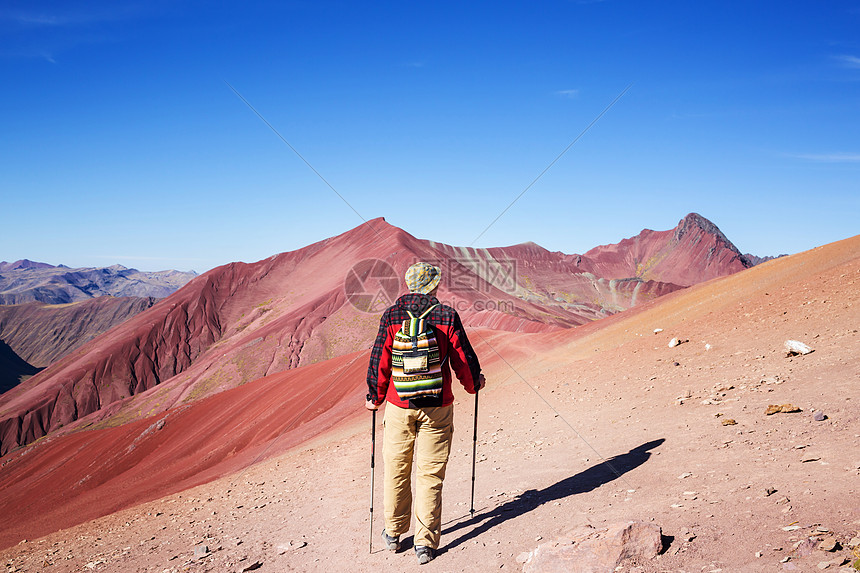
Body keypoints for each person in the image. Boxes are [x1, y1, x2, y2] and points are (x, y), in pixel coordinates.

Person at [366, 261, 485, 565]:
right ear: (434, 285)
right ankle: (425, 544)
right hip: (438, 407)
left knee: (396, 469)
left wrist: (374, 397)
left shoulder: (391, 315)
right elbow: (462, 357)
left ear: (407, 284)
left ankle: (393, 534)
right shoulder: (446, 315)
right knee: (430, 475)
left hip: (398, 405)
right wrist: (474, 385)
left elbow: (380, 358)